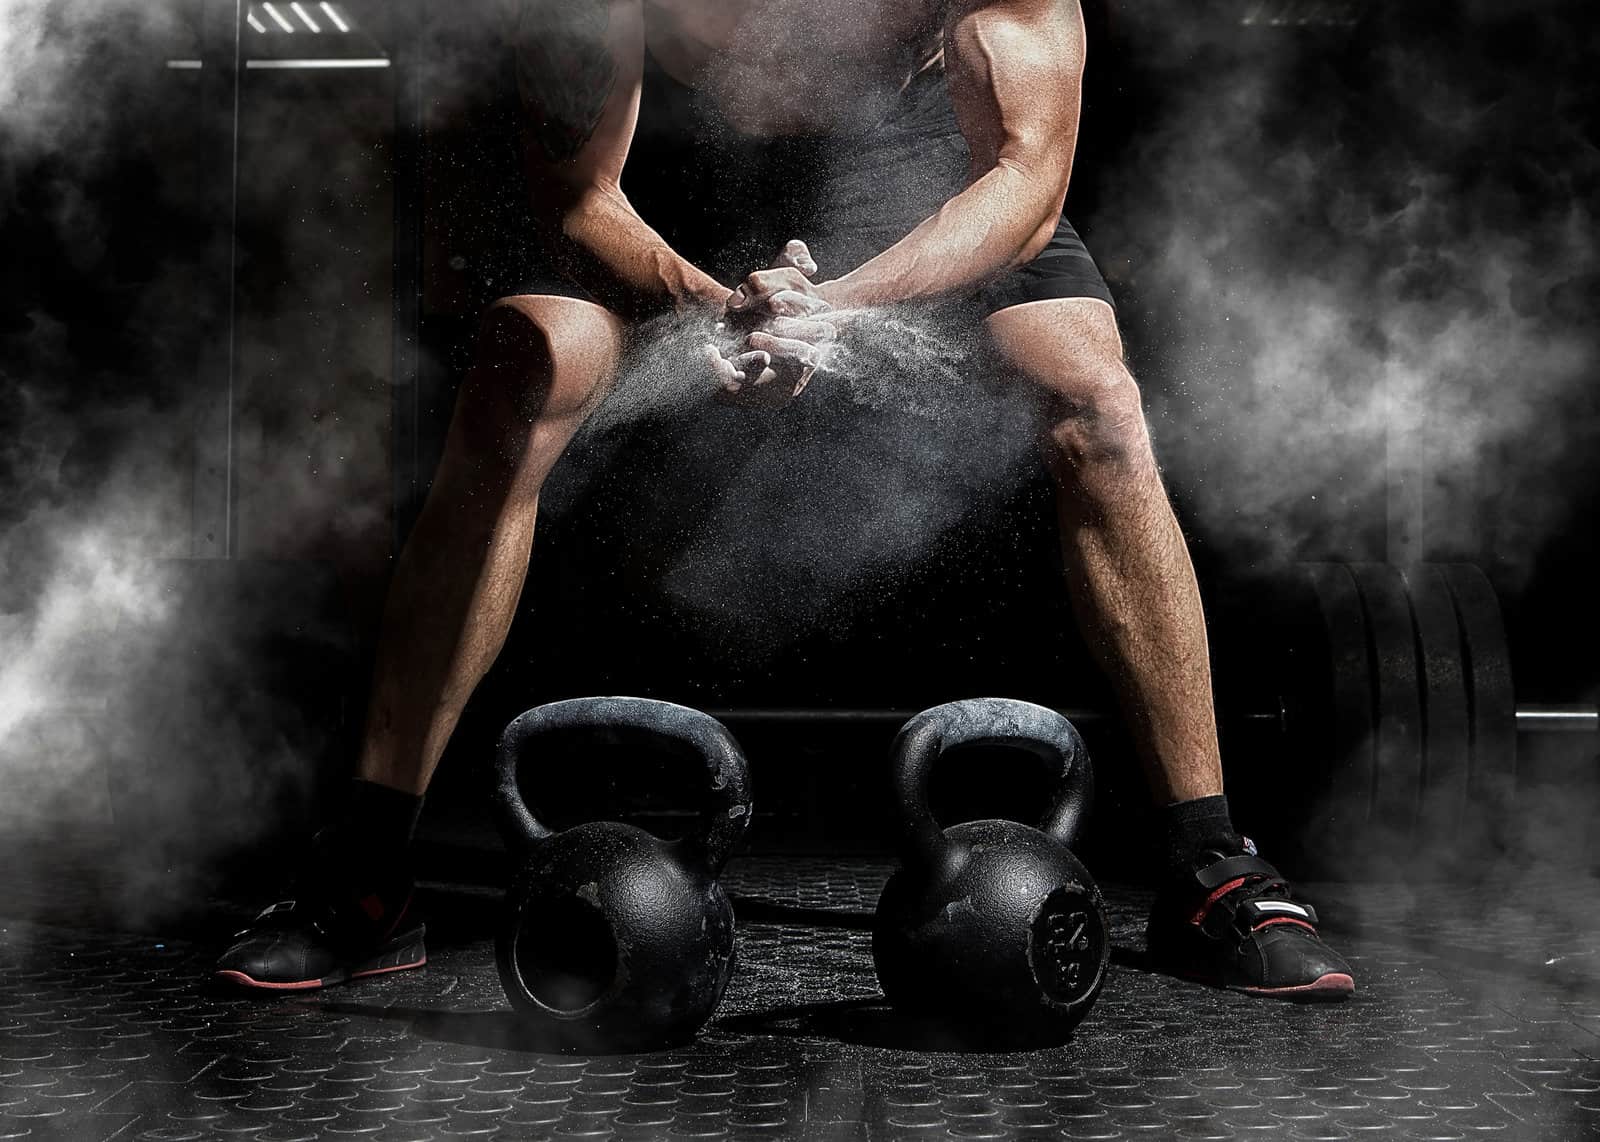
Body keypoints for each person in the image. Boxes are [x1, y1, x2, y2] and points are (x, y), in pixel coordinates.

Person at [215, 0, 1354, 999]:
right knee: (523, 368)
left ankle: (1210, 862)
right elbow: (576, 189)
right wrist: (713, 303)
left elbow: (1024, 181)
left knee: (1094, 394)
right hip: (657, 185)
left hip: (918, 184)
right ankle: (364, 868)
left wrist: (835, 310)